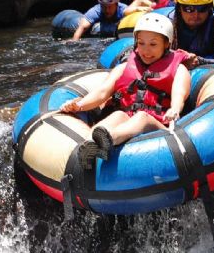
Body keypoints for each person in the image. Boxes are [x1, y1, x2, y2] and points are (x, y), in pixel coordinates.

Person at [60, 12, 191, 168]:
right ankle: (87, 148)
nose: (146, 50)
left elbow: (179, 95)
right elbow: (102, 92)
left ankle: (109, 140)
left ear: (167, 44)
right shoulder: (124, 67)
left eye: (153, 44)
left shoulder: (178, 69)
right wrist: (79, 105)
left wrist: (175, 109)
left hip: (159, 127)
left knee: (142, 117)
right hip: (128, 121)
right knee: (118, 114)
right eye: (141, 43)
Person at [71, 0, 149, 40]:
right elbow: (82, 27)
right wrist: (73, 42)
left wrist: (139, 9)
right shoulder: (96, 10)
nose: (107, 10)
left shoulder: (123, 9)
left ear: (116, 4)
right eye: (104, 7)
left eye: (110, 7)